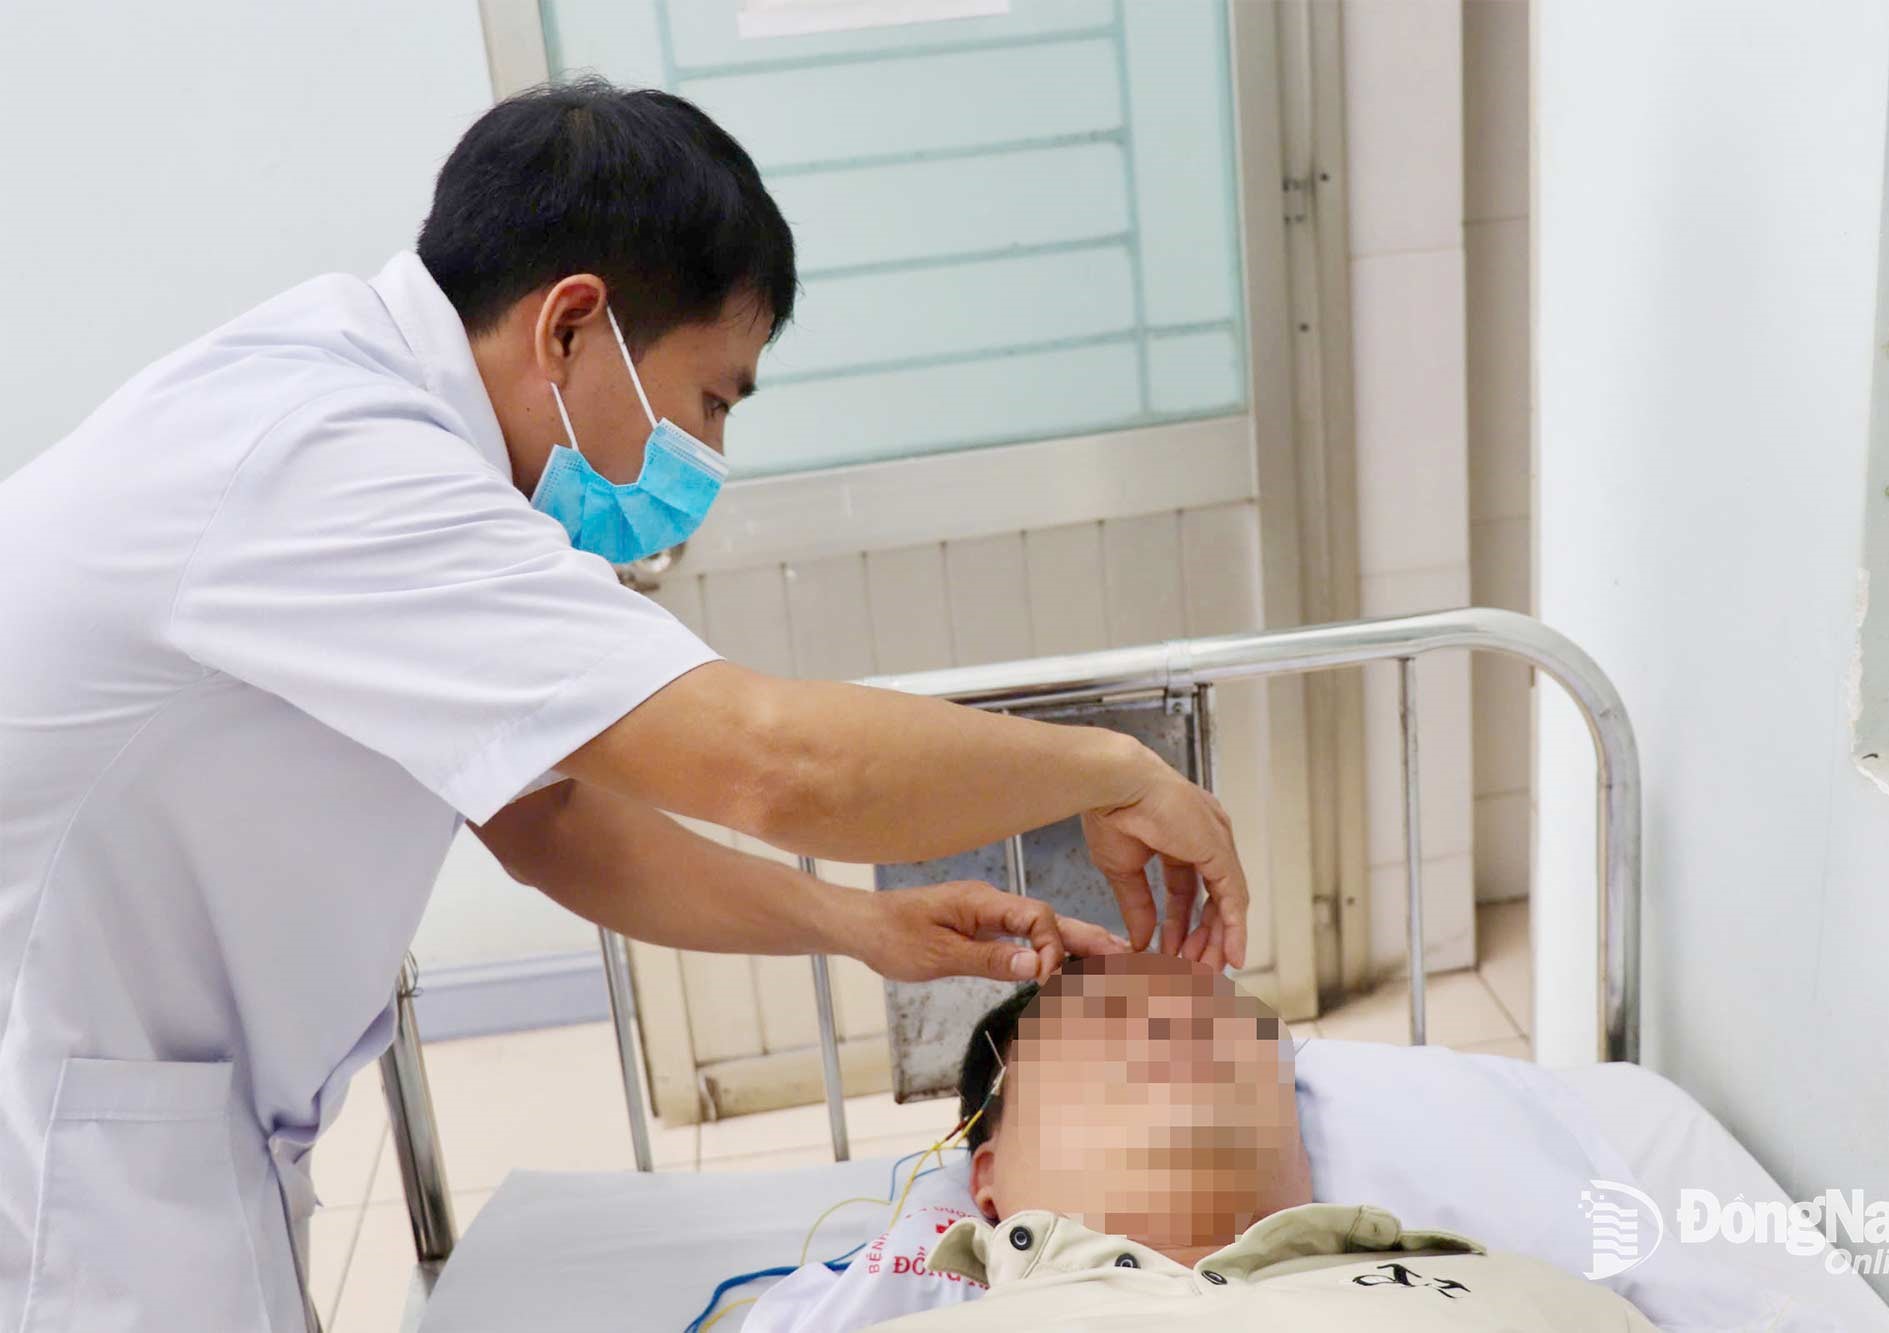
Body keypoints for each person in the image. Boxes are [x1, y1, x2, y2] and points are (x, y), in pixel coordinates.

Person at [0, 81, 1250, 1333]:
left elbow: (548, 821)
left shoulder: (372, 430)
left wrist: (856, 926)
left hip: (139, 1126)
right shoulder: (328, 457)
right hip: (64, 1170)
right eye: (709, 402)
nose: (703, 459)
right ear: (571, 326)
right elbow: (776, 763)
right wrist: (1109, 769)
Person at [765, 955, 1659, 1331]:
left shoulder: (1537, 1298)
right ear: (986, 1179)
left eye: (1221, 1021)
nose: (1177, 1026)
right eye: (1101, 1019)